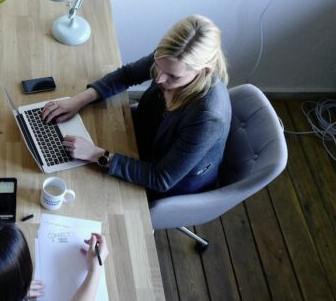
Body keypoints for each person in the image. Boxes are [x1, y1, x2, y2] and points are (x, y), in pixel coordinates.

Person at [41, 14, 231, 199]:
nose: (159, 79)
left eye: (173, 76)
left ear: (204, 70)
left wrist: (95, 154)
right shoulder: (170, 58)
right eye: (158, 66)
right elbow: (127, 75)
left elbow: (160, 179)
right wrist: (78, 101)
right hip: (143, 138)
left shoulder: (207, 117)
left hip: (167, 181)